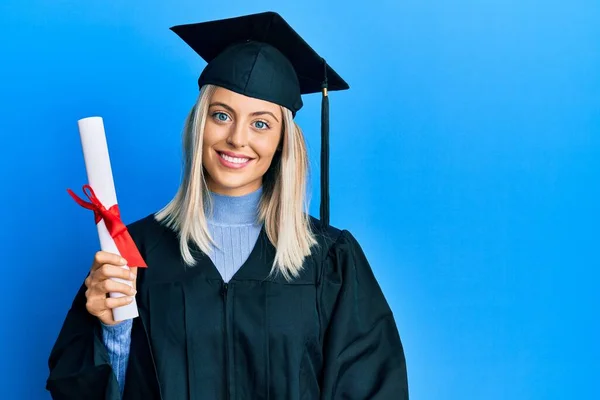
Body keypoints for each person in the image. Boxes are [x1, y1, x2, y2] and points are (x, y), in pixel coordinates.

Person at [46, 11, 409, 400]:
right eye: (222, 115)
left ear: (284, 141)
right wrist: (112, 331)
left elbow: (373, 389)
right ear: (199, 124)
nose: (237, 138)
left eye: (261, 123)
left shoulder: (330, 259)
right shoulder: (132, 251)